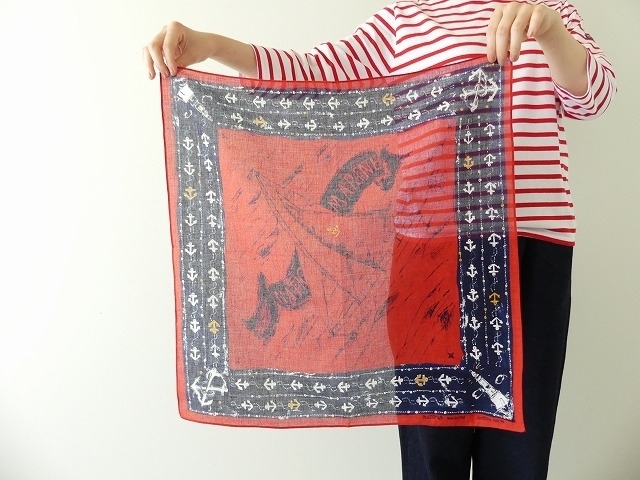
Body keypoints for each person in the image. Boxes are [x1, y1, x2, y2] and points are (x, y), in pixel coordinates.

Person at [143, 1, 616, 479]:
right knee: (432, 453)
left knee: (520, 455)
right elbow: (312, 74)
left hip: (531, 249)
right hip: (428, 257)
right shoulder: (405, 19)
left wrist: (549, 30)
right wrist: (211, 45)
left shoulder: (553, 11)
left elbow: (592, 98)